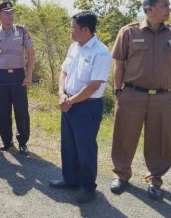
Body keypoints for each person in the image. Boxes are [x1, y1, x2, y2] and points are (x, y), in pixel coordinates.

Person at [110, 0, 171, 200]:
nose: (169, 9)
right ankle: (121, 175)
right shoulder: (128, 32)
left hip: (163, 98)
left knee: (160, 140)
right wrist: (118, 90)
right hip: (132, 95)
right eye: (165, 5)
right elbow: (119, 63)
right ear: (149, 9)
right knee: (124, 137)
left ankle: (155, 179)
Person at [48, 11, 112, 203]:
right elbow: (64, 71)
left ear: (86, 29)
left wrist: (70, 101)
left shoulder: (100, 52)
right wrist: (62, 95)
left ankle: (87, 187)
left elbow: (93, 85)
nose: (71, 32)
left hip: (87, 107)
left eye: (74, 28)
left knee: (85, 148)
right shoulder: (74, 47)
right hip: (68, 102)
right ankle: (70, 179)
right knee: (68, 145)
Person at [0, 1, 35, 156]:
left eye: (12, 12)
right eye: (6, 13)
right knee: (3, 111)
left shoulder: (21, 30)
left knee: (21, 111)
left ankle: (23, 143)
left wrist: (29, 74)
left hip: (19, 75)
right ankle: (6, 141)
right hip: (2, 76)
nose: (10, 15)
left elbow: (31, 53)